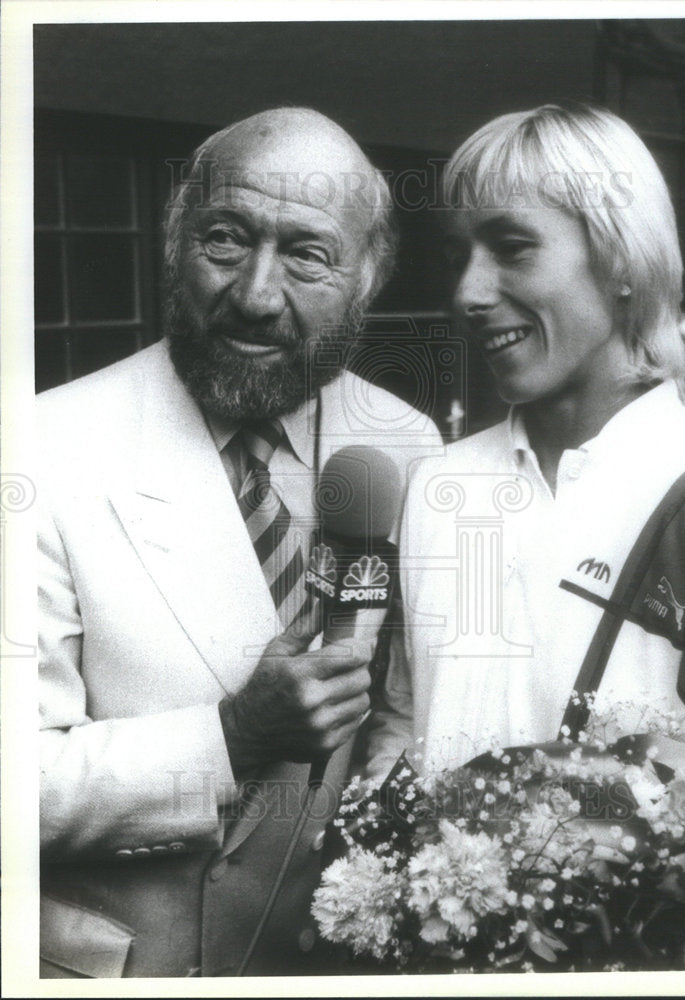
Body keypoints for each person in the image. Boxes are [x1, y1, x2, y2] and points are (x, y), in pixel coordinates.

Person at [37, 107, 440, 977]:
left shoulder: (408, 446)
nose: (257, 296)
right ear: (173, 244)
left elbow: (407, 713)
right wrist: (230, 736)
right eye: (225, 240)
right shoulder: (38, 451)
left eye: (306, 254)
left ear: (367, 279)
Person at [363, 103, 685, 779]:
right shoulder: (435, 483)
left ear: (622, 260)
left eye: (511, 247)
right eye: (458, 258)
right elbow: (405, 715)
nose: (468, 292)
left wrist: (539, 841)